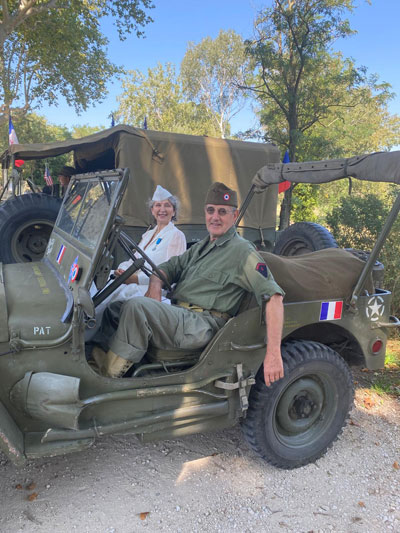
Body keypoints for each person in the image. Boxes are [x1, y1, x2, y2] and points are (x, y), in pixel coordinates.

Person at [92, 182, 285, 387]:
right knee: (116, 308)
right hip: (180, 316)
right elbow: (170, 266)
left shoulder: (242, 252)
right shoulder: (203, 246)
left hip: (201, 325)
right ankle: (102, 359)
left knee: (137, 306)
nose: (215, 217)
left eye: (222, 212)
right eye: (210, 211)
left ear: (234, 216)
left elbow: (273, 297)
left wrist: (273, 353)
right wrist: (155, 285)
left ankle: (107, 377)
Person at [99, 185, 186, 304]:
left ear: (174, 211)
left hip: (151, 288)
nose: (162, 209)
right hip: (131, 281)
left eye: (167, 205)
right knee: (102, 279)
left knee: (111, 295)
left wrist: (135, 279)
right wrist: (122, 270)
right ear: (152, 210)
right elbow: (132, 260)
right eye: (158, 205)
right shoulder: (148, 234)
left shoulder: (176, 235)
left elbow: (172, 275)